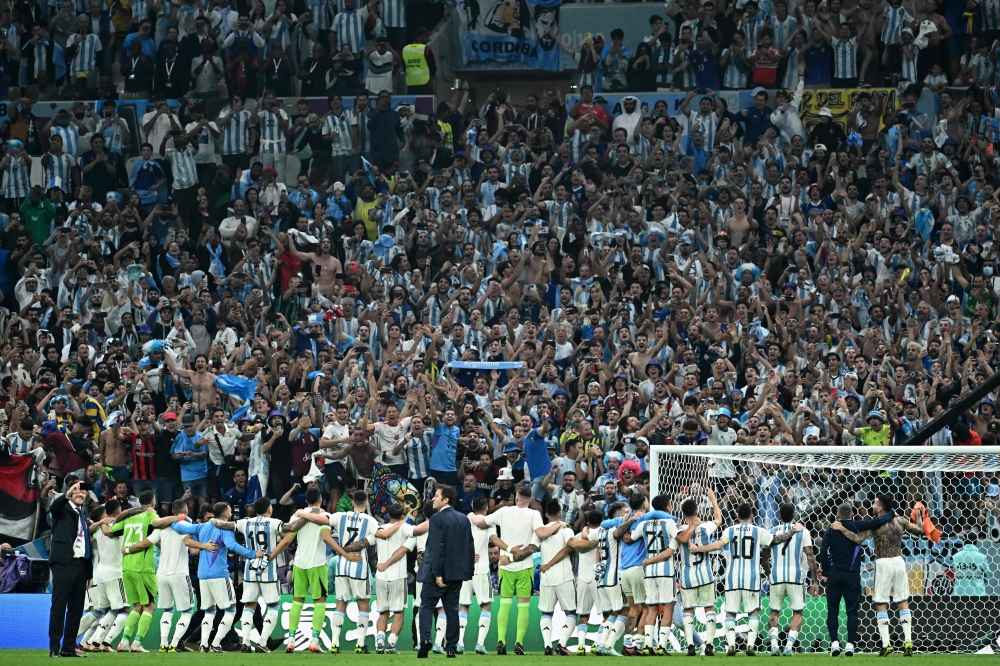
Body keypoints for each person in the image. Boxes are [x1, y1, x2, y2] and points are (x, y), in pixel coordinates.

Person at [691, 502, 801, 655]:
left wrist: (699, 549)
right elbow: (776, 540)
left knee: (730, 613)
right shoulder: (758, 531)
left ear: (737, 516)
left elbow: (717, 545)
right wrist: (793, 531)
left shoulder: (729, 530)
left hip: (732, 578)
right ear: (751, 515)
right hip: (752, 578)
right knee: (753, 612)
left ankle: (731, 645)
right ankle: (750, 645)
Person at [831, 495, 934, 656]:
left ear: (880, 506)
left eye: (874, 503)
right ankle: (908, 642)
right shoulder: (900, 520)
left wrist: (842, 529)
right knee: (902, 601)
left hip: (883, 563)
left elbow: (857, 539)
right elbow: (920, 531)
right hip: (899, 562)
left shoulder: (875, 525)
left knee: (880, 603)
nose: (872, 505)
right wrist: (919, 515)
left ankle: (886, 645)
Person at [124, 499, 217, 652]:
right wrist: (204, 546)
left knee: (167, 610)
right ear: (184, 510)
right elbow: (189, 544)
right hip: (179, 573)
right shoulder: (185, 524)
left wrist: (127, 550)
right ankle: (174, 644)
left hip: (161, 574)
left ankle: (163, 644)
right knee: (187, 611)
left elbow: (144, 543)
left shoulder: (162, 528)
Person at [469, 484, 542, 655]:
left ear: (516, 497)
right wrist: (523, 553)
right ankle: (519, 642)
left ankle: (501, 640)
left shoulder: (504, 511)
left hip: (506, 564)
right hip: (525, 566)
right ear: (530, 499)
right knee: (523, 605)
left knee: (505, 603)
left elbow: (481, 523)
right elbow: (537, 537)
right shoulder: (534, 514)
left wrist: (472, 514)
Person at [106, 490, 179, 652]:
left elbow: (111, 532)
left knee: (137, 606)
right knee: (149, 606)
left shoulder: (130, 518)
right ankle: (137, 642)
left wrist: (103, 522)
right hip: (143, 568)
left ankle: (124, 642)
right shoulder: (149, 514)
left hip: (126, 567)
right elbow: (158, 524)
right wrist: (177, 517)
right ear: (153, 502)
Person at [820, 503, 894, 657]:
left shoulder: (831, 529)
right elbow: (877, 521)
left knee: (832, 610)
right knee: (852, 611)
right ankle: (850, 645)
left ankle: (834, 643)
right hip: (852, 575)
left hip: (834, 575)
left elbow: (822, 551)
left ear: (838, 514)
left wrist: (827, 571)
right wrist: (890, 513)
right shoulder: (857, 525)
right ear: (851, 514)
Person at [416, 484, 474, 659]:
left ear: (446, 499)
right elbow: (469, 547)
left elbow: (436, 548)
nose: (433, 498)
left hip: (437, 574)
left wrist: (438, 573)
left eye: (436, 496)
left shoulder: (436, 519)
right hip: (457, 574)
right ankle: (451, 646)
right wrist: (467, 572)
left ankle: (425, 641)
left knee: (426, 606)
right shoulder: (464, 519)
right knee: (452, 609)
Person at [766, 503, 821, 656]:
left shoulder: (772, 531)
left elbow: (764, 554)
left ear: (779, 515)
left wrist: (767, 571)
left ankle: (774, 645)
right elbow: (810, 556)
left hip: (776, 576)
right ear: (794, 515)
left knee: (774, 610)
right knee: (797, 612)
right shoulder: (803, 531)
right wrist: (815, 581)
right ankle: (789, 647)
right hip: (795, 577)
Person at [673, 488, 722, 656]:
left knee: (688, 610)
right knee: (709, 608)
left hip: (687, 577)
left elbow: (682, 539)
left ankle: (690, 646)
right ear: (697, 510)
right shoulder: (706, 527)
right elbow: (718, 519)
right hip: (706, 575)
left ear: (683, 513)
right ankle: (709, 644)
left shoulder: (679, 529)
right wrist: (713, 500)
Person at [48, 480, 93, 658]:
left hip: (81, 566)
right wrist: (67, 493)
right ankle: (54, 647)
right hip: (63, 564)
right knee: (59, 606)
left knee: (76, 609)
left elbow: (87, 545)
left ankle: (68, 648)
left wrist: (89, 573)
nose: (80, 494)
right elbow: (54, 508)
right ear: (70, 494)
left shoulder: (83, 514)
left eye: (82, 493)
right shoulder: (62, 510)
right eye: (77, 492)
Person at [235, 497, 286, 652]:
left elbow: (231, 526)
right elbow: (289, 531)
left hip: (250, 570)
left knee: (249, 605)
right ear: (269, 509)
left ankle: (245, 642)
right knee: (273, 606)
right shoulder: (274, 522)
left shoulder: (245, 522)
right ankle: (263, 643)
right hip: (267, 570)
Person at [534, 499, 577, 656]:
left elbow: (532, 547)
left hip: (546, 577)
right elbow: (568, 549)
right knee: (571, 613)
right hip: (564, 576)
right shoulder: (566, 529)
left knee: (546, 613)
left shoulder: (540, 530)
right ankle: (562, 643)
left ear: (546, 514)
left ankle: (547, 645)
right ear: (560, 512)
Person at [459, 496, 495, 654]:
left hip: (464, 569)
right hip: (481, 569)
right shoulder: (489, 521)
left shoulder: (466, 519)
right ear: (486, 506)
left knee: (463, 606)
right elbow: (494, 539)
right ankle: (480, 643)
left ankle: (459, 642)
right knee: (486, 605)